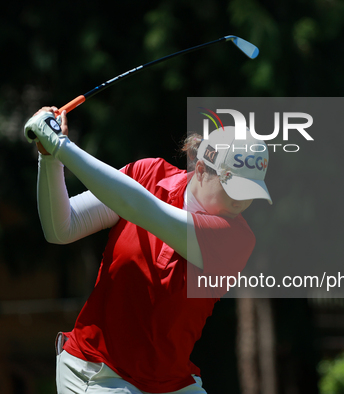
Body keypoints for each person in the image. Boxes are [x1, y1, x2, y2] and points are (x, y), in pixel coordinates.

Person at [24, 106, 272, 394]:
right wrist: (50, 157)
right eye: (234, 188)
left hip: (170, 382)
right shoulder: (149, 174)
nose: (241, 202)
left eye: (250, 192)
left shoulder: (236, 238)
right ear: (202, 169)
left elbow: (142, 209)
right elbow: (61, 228)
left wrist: (61, 146)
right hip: (97, 372)